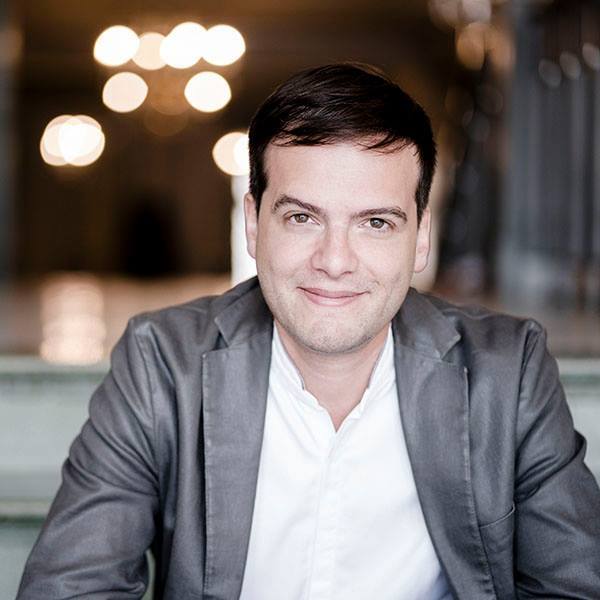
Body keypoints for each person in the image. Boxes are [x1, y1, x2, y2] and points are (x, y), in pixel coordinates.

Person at [18, 63, 600, 599]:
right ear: (253, 223)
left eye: (375, 223)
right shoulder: (162, 363)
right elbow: (69, 588)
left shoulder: (509, 370)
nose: (335, 261)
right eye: (302, 217)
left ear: (422, 237)